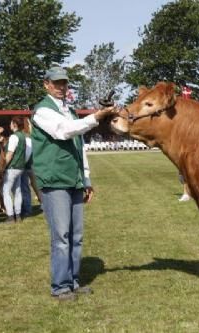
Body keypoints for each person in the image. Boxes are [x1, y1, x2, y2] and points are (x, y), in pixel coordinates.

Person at [31, 66, 117, 301]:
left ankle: (73, 281)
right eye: (56, 83)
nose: (61, 87)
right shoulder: (42, 111)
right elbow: (64, 131)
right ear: (46, 84)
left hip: (74, 180)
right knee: (61, 236)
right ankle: (60, 286)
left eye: (64, 83)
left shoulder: (69, 110)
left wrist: (86, 178)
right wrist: (96, 117)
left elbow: (80, 148)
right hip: (54, 180)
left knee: (76, 236)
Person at [3, 116, 27, 223]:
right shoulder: (23, 136)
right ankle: (18, 215)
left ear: (15, 125)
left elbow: (10, 154)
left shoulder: (14, 137)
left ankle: (10, 216)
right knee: (17, 191)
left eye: (11, 123)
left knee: (6, 191)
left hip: (12, 167)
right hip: (20, 167)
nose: (9, 125)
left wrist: (2, 167)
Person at [20, 118, 42, 218]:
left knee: (31, 186)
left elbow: (27, 154)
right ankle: (42, 203)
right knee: (35, 185)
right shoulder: (31, 137)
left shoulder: (26, 138)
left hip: (29, 165)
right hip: (32, 163)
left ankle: (41, 203)